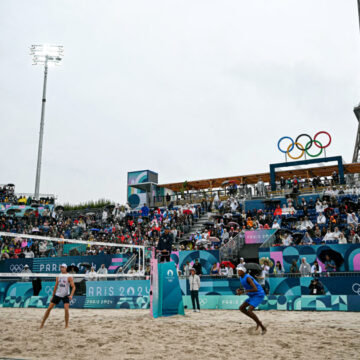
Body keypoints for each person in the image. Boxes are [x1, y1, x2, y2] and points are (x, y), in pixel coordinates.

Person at [40, 264, 76, 329]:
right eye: (60, 267)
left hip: (65, 295)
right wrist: (52, 296)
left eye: (62, 267)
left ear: (65, 268)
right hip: (58, 294)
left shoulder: (69, 276)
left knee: (66, 309)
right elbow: (56, 286)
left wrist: (71, 295)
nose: (61, 268)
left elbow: (73, 287)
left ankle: (66, 325)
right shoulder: (58, 276)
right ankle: (42, 324)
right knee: (49, 308)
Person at [236, 266, 267, 334]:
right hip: (252, 295)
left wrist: (243, 291)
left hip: (258, 294)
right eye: (237, 270)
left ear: (243, 271)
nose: (238, 271)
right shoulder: (241, 277)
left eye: (239, 270)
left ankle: (263, 327)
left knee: (249, 310)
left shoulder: (248, 278)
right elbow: (246, 288)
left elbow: (255, 289)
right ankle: (257, 322)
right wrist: (240, 291)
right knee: (241, 308)